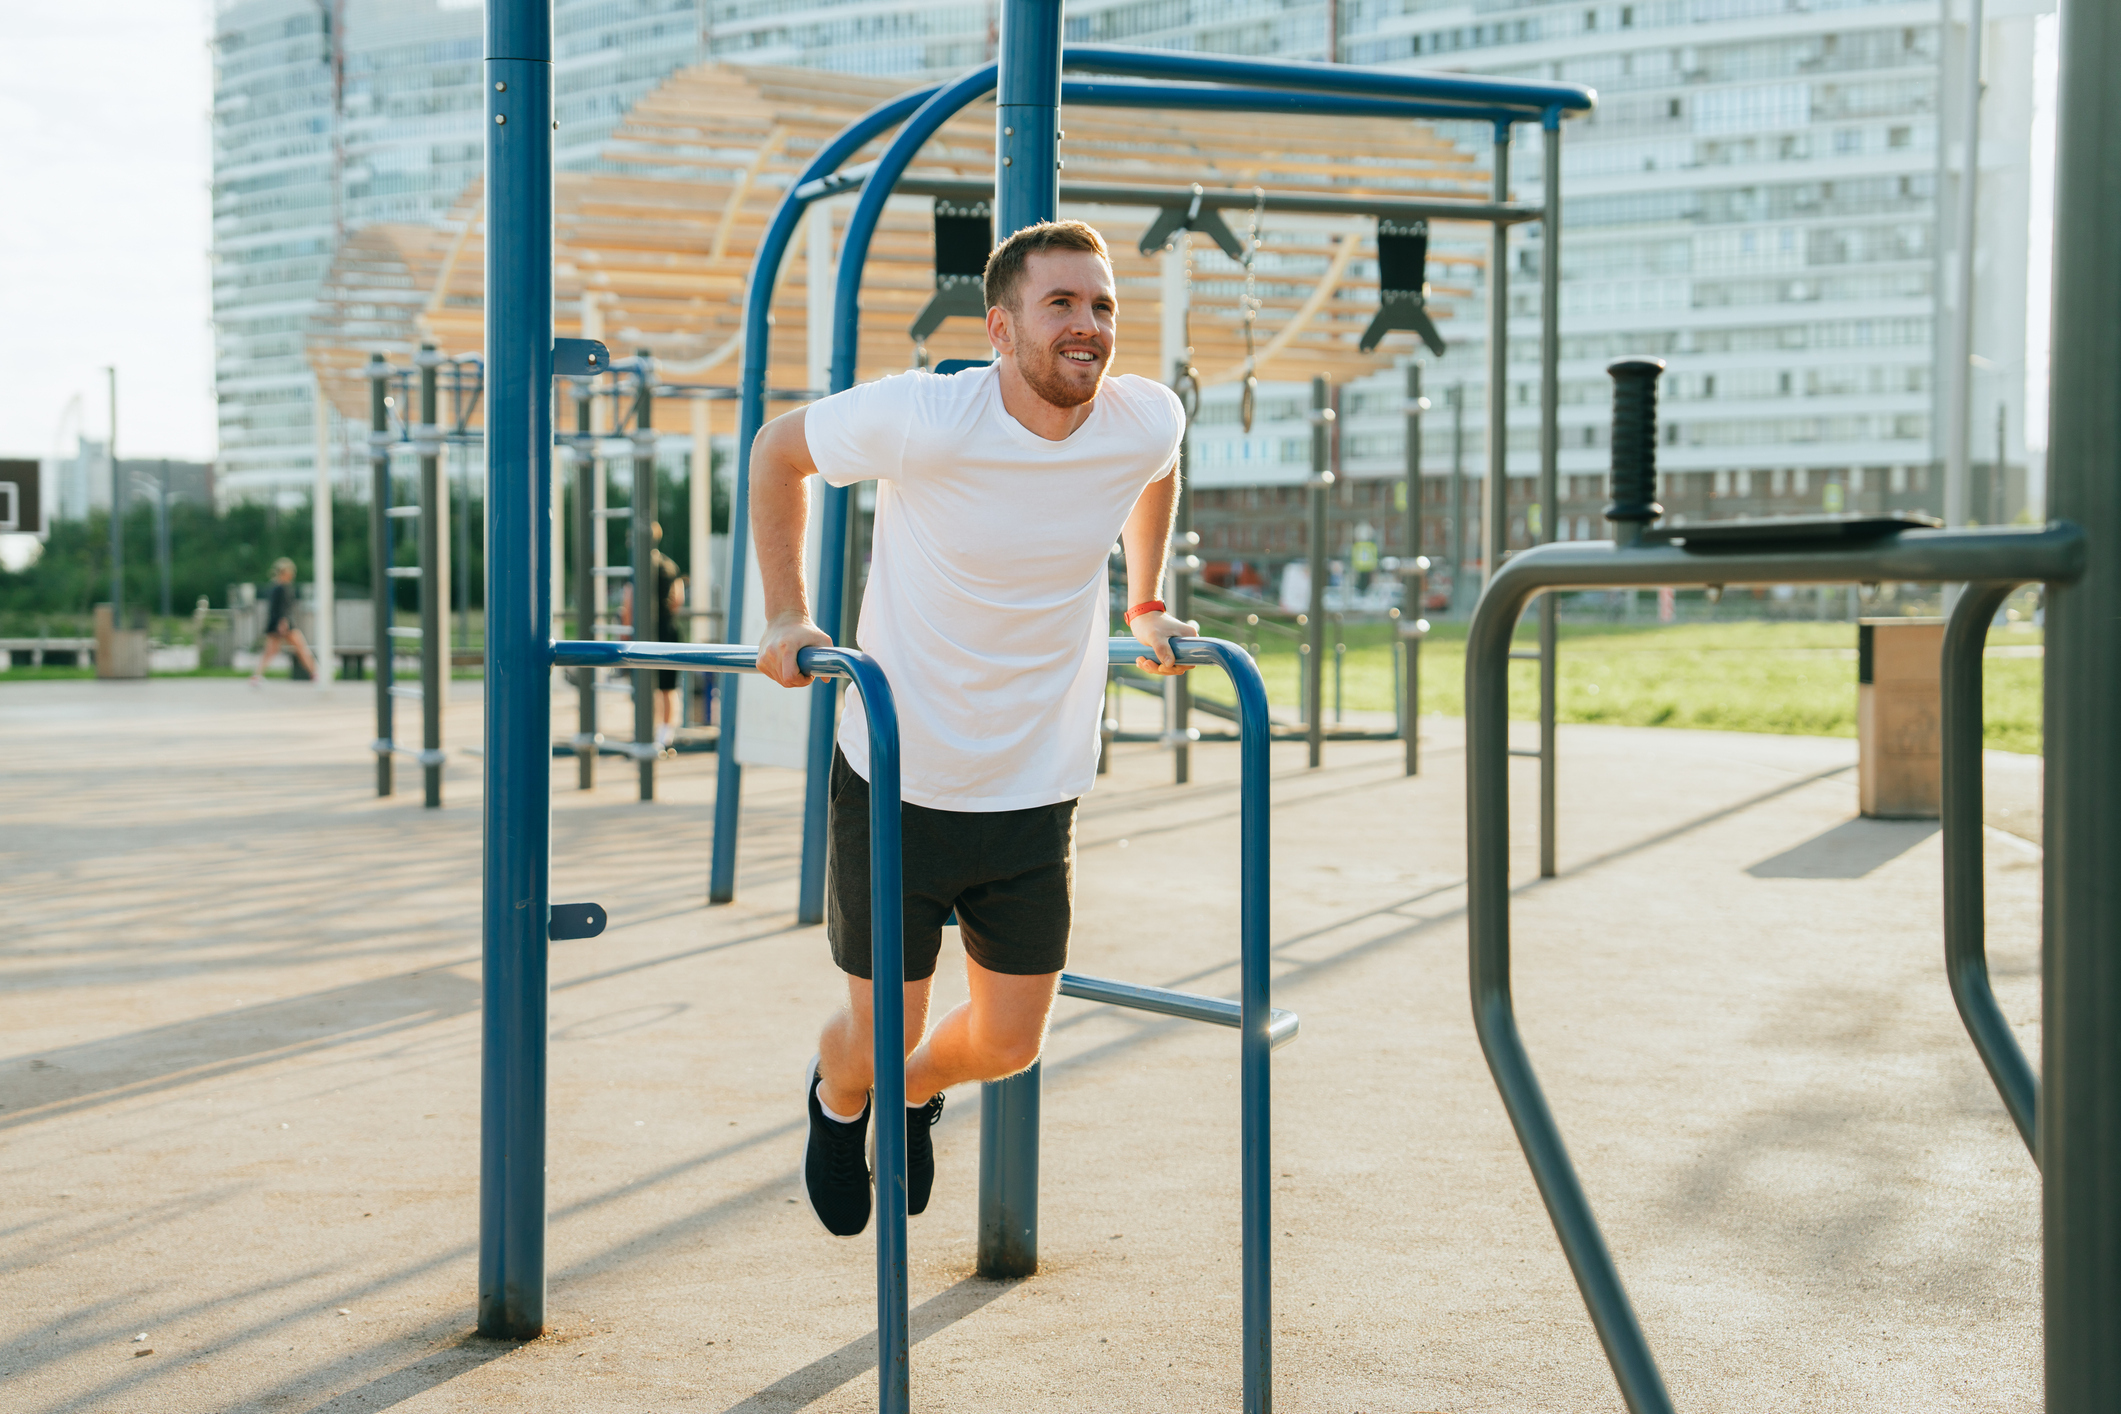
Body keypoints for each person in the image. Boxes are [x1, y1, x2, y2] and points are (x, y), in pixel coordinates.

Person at [750, 219, 1196, 1238]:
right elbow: (779, 451)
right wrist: (784, 611)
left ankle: (911, 1092)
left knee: (1008, 1043)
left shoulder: (1143, 417)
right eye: (1061, 305)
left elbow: (1158, 466)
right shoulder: (928, 417)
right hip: (898, 772)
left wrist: (1146, 598)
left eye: (1102, 306)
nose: (1088, 327)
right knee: (879, 1034)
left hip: (1033, 783)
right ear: (1001, 327)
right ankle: (842, 1094)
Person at [619, 521, 687, 752]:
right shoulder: (670, 566)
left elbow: (629, 605)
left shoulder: (637, 566)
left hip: (644, 635)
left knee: (643, 686)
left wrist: (625, 635)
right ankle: (665, 736)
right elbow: (678, 600)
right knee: (668, 688)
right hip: (668, 631)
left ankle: (643, 733)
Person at [251, 557, 319, 686]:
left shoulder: (274, 587)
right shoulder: (283, 588)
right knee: (301, 648)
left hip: (276, 623)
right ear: (285, 572)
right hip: (284, 623)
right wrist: (283, 622)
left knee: (271, 652)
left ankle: (256, 676)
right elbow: (283, 607)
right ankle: (316, 674)